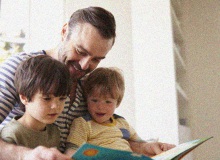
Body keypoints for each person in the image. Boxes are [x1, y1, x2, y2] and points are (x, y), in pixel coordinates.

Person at [0, 6, 173, 160]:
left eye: (96, 59)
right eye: (80, 51)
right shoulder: (19, 68)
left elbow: (101, 137)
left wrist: (145, 148)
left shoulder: (90, 84)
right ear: (64, 31)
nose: (84, 65)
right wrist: (25, 155)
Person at [65, 67, 175, 157]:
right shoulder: (83, 123)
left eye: (108, 102)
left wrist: (155, 147)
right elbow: (71, 152)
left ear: (117, 103)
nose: (100, 107)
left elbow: (140, 144)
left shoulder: (122, 122)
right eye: (94, 100)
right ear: (86, 99)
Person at [0, 55, 71, 149]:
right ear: (24, 98)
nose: (55, 106)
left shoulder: (54, 132)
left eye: (62, 98)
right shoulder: (12, 134)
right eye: (47, 98)